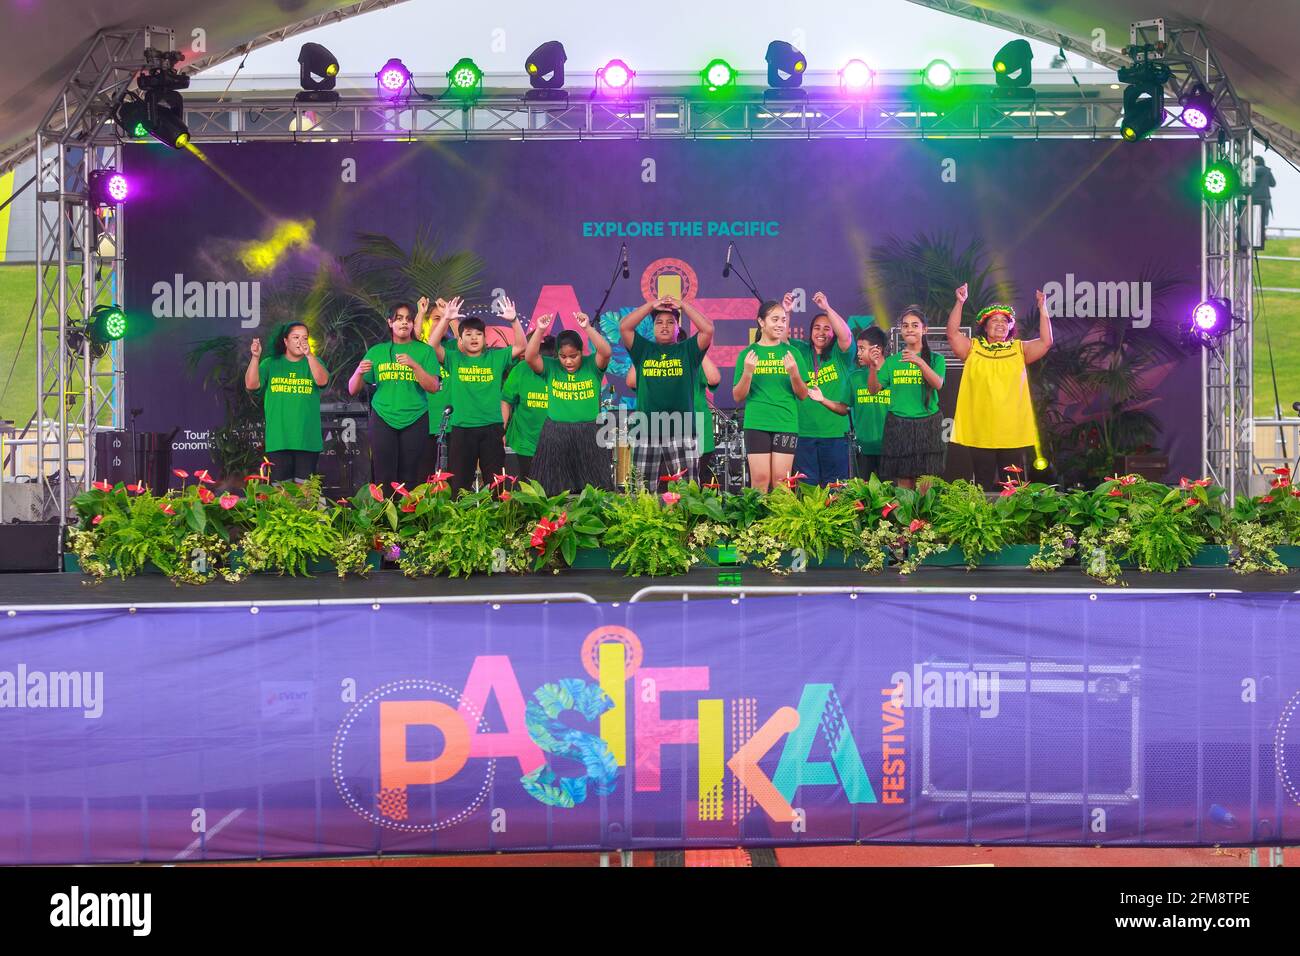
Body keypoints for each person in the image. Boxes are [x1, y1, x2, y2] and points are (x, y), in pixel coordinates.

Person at [946, 284, 1053, 490]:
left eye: (1005, 321)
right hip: (981, 429)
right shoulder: (972, 348)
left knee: (1012, 486)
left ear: (1010, 328)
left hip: (1011, 430)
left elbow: (1046, 342)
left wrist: (1043, 308)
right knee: (983, 483)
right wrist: (960, 302)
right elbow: (952, 334)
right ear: (984, 327)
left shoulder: (1019, 350)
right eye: (994, 320)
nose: (1000, 324)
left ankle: (1013, 522)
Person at [423, 295, 526, 494]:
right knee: (460, 485)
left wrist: (514, 320)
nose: (473, 338)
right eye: (468, 334)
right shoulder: (454, 359)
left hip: (492, 428)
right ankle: (463, 522)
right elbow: (432, 346)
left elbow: (521, 346)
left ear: (485, 339)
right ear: (460, 340)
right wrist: (446, 319)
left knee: (495, 484)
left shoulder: (496, 357)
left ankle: (493, 522)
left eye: (478, 334)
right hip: (462, 429)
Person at [619, 294, 715, 490]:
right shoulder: (643, 349)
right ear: (653, 327)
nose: (664, 326)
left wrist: (683, 305)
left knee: (688, 492)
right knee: (641, 493)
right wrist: (650, 305)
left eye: (670, 322)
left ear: (677, 327)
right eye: (659, 322)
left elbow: (708, 329)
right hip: (647, 429)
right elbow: (625, 327)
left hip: (682, 430)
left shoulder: (688, 350)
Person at [348, 302, 441, 489]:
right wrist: (358, 372)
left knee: (411, 475)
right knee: (384, 474)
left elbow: (433, 386)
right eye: (399, 319)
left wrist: (415, 366)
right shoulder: (377, 351)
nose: (404, 323)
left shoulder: (425, 351)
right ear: (390, 322)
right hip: (383, 417)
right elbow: (352, 389)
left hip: (415, 417)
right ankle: (385, 517)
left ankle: (408, 517)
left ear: (413, 324)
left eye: (408, 319)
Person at [524, 312, 613, 495]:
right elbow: (530, 357)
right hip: (555, 435)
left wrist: (587, 328)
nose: (568, 361)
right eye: (563, 356)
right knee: (551, 490)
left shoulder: (592, 366)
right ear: (557, 355)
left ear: (582, 352)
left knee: (594, 491)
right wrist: (540, 330)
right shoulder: (551, 367)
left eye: (574, 355)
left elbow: (606, 351)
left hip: (589, 434)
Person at [732, 299, 811, 492]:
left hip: (785, 421)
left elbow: (802, 395)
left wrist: (794, 373)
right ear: (761, 322)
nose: (780, 324)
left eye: (783, 320)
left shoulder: (793, 353)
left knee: (781, 481)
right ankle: (759, 522)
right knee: (760, 478)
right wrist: (748, 372)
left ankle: (780, 522)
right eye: (775, 319)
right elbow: (738, 396)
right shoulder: (748, 354)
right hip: (757, 422)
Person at [869, 306, 945, 489]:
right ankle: (906, 517)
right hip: (899, 423)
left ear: (924, 329)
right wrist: (872, 366)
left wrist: (918, 361)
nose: (909, 329)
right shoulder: (893, 361)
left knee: (925, 480)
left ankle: (924, 518)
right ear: (901, 330)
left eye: (915, 325)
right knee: (904, 479)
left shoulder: (936, 359)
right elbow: (874, 389)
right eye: (905, 326)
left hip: (927, 423)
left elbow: (938, 384)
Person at [244, 322, 328, 482]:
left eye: (304, 338)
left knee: (305, 495)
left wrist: (310, 355)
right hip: (279, 439)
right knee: (281, 494)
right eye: (295, 337)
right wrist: (255, 357)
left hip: (307, 440)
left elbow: (322, 381)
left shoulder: (313, 362)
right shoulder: (270, 363)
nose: (300, 342)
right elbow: (251, 384)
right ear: (285, 341)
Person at [788, 291, 854, 485]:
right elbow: (782, 340)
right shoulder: (800, 350)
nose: (821, 332)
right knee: (807, 490)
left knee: (835, 490)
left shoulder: (840, 355)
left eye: (827, 328)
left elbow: (846, 334)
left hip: (834, 434)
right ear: (810, 331)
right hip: (804, 433)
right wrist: (787, 312)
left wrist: (826, 308)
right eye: (817, 328)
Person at [626, 353, 723, 485]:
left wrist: (701, 350)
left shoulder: (692, 360)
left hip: (693, 427)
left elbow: (714, 379)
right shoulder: (653, 361)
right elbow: (632, 381)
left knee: (689, 486)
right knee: (649, 485)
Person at [502, 334, 555, 482]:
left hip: (555, 443)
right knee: (528, 490)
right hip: (524, 441)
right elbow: (506, 401)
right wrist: (502, 430)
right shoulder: (521, 369)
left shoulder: (560, 370)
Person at [848, 325, 891, 481]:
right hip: (863, 449)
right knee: (863, 499)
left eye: (861, 349)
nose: (858, 353)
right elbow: (842, 407)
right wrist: (823, 400)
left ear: (876, 349)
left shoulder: (894, 373)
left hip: (891, 449)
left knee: (890, 500)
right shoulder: (855, 377)